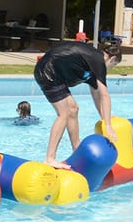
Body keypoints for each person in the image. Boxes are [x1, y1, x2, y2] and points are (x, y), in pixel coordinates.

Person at [34, 40, 122, 169]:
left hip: (55, 75)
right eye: (113, 65)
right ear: (112, 58)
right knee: (63, 114)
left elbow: (96, 93)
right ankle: (49, 158)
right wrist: (108, 125)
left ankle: (76, 151)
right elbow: (104, 95)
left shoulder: (92, 63)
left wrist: (104, 117)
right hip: (48, 72)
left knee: (73, 109)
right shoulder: (98, 60)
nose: (110, 69)